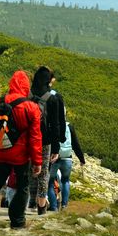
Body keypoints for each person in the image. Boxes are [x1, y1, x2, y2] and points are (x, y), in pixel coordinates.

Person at [0, 70, 43, 230]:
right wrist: (37, 162)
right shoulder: (32, 107)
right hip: (21, 157)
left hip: (0, 151)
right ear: (27, 86)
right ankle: (17, 219)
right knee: (23, 187)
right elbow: (35, 137)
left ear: (11, 84)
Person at [29, 66, 66, 215]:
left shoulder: (28, 95)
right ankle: (41, 205)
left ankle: (31, 200)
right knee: (44, 172)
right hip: (45, 140)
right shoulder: (52, 98)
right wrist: (56, 148)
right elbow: (56, 125)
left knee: (31, 170)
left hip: (28, 139)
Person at [47, 120, 86, 210]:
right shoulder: (69, 126)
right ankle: (64, 205)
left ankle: (54, 207)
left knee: (50, 183)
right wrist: (81, 159)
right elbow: (75, 144)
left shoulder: (51, 124)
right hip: (67, 157)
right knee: (65, 181)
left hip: (54, 158)